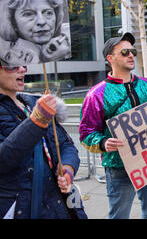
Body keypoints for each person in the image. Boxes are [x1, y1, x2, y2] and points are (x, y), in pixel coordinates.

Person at [79, 32, 147, 219]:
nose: (131, 55)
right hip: (119, 167)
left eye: (133, 51)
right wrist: (103, 142)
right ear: (110, 58)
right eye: (125, 52)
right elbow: (86, 133)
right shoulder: (96, 94)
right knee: (119, 215)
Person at [0, 65, 87, 219]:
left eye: (23, 65)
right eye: (13, 66)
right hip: (25, 208)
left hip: (63, 205)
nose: (22, 70)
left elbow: (66, 145)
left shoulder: (34, 102)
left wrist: (67, 168)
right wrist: (36, 121)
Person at [1, 0, 70, 63]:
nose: (41, 21)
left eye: (48, 13)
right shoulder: (14, 56)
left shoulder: (63, 38)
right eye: (28, 14)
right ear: (13, 22)